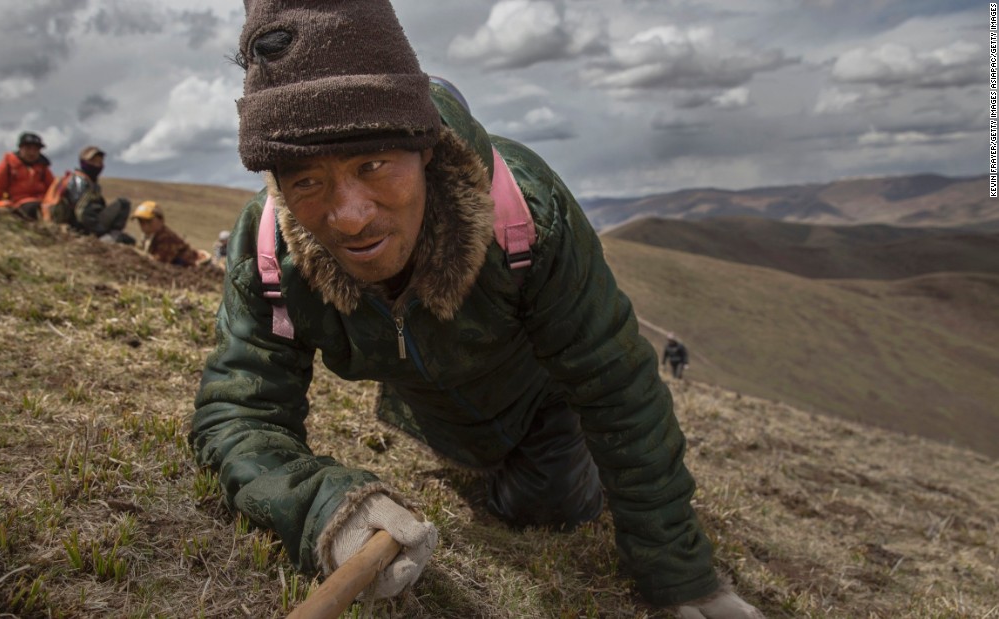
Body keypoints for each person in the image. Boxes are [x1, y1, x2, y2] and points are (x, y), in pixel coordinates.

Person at [190, 2, 762, 617]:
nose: (349, 215)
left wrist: (683, 581)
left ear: (426, 150)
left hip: (544, 407)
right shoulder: (270, 248)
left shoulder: (525, 211)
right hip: (437, 417)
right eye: (306, 182)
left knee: (556, 508)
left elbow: (617, 385)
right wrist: (325, 507)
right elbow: (236, 414)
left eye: (372, 165)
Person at [44, 146, 134, 244]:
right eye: (93, 161)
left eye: (99, 162)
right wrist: (99, 231)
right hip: (81, 228)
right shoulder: (79, 181)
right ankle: (108, 236)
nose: (97, 165)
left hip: (84, 225)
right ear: (83, 162)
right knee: (123, 204)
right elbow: (82, 212)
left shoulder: (88, 182)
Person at [0, 132, 55, 220]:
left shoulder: (42, 167)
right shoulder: (9, 164)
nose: (32, 153)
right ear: (20, 148)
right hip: (17, 203)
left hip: (42, 202)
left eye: (35, 149)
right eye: (28, 148)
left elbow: (52, 187)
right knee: (33, 209)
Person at [130, 201, 208, 267]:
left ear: (161, 220)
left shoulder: (166, 238)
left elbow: (158, 263)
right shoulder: (148, 236)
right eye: (141, 221)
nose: (145, 225)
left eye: (148, 221)